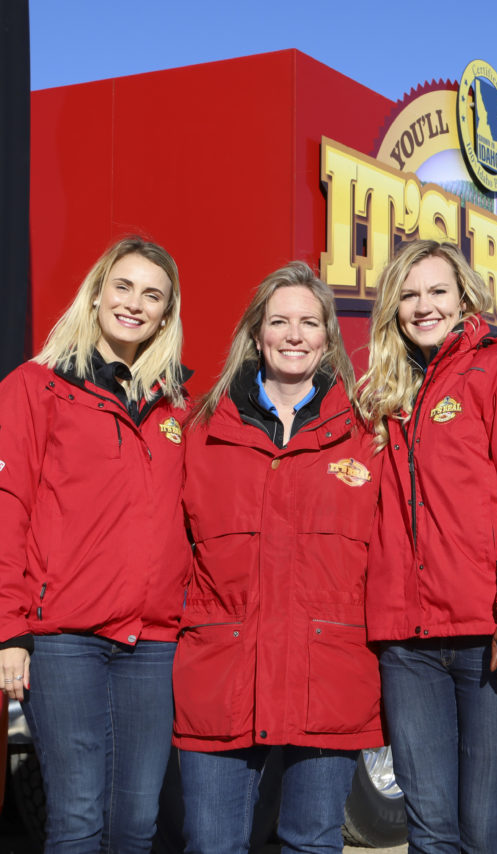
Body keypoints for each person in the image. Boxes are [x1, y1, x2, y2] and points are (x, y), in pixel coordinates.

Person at [0, 237, 190, 853]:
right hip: (65, 639)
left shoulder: (175, 407)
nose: (134, 304)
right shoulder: (36, 387)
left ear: (166, 315)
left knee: (136, 824)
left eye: (154, 296)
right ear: (96, 293)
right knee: (77, 817)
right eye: (123, 287)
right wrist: (7, 630)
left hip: (152, 643)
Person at [356, 239, 497, 853]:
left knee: (482, 829)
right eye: (409, 295)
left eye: (437, 291)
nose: (423, 306)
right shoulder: (383, 393)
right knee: (429, 831)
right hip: (410, 648)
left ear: (464, 296)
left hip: (489, 639)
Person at [173, 261, 384, 854]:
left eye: (309, 323)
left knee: (312, 843)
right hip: (220, 676)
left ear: (327, 337)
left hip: (330, 678)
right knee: (212, 844)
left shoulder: (370, 435)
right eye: (280, 321)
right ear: (256, 333)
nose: (294, 335)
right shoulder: (202, 431)